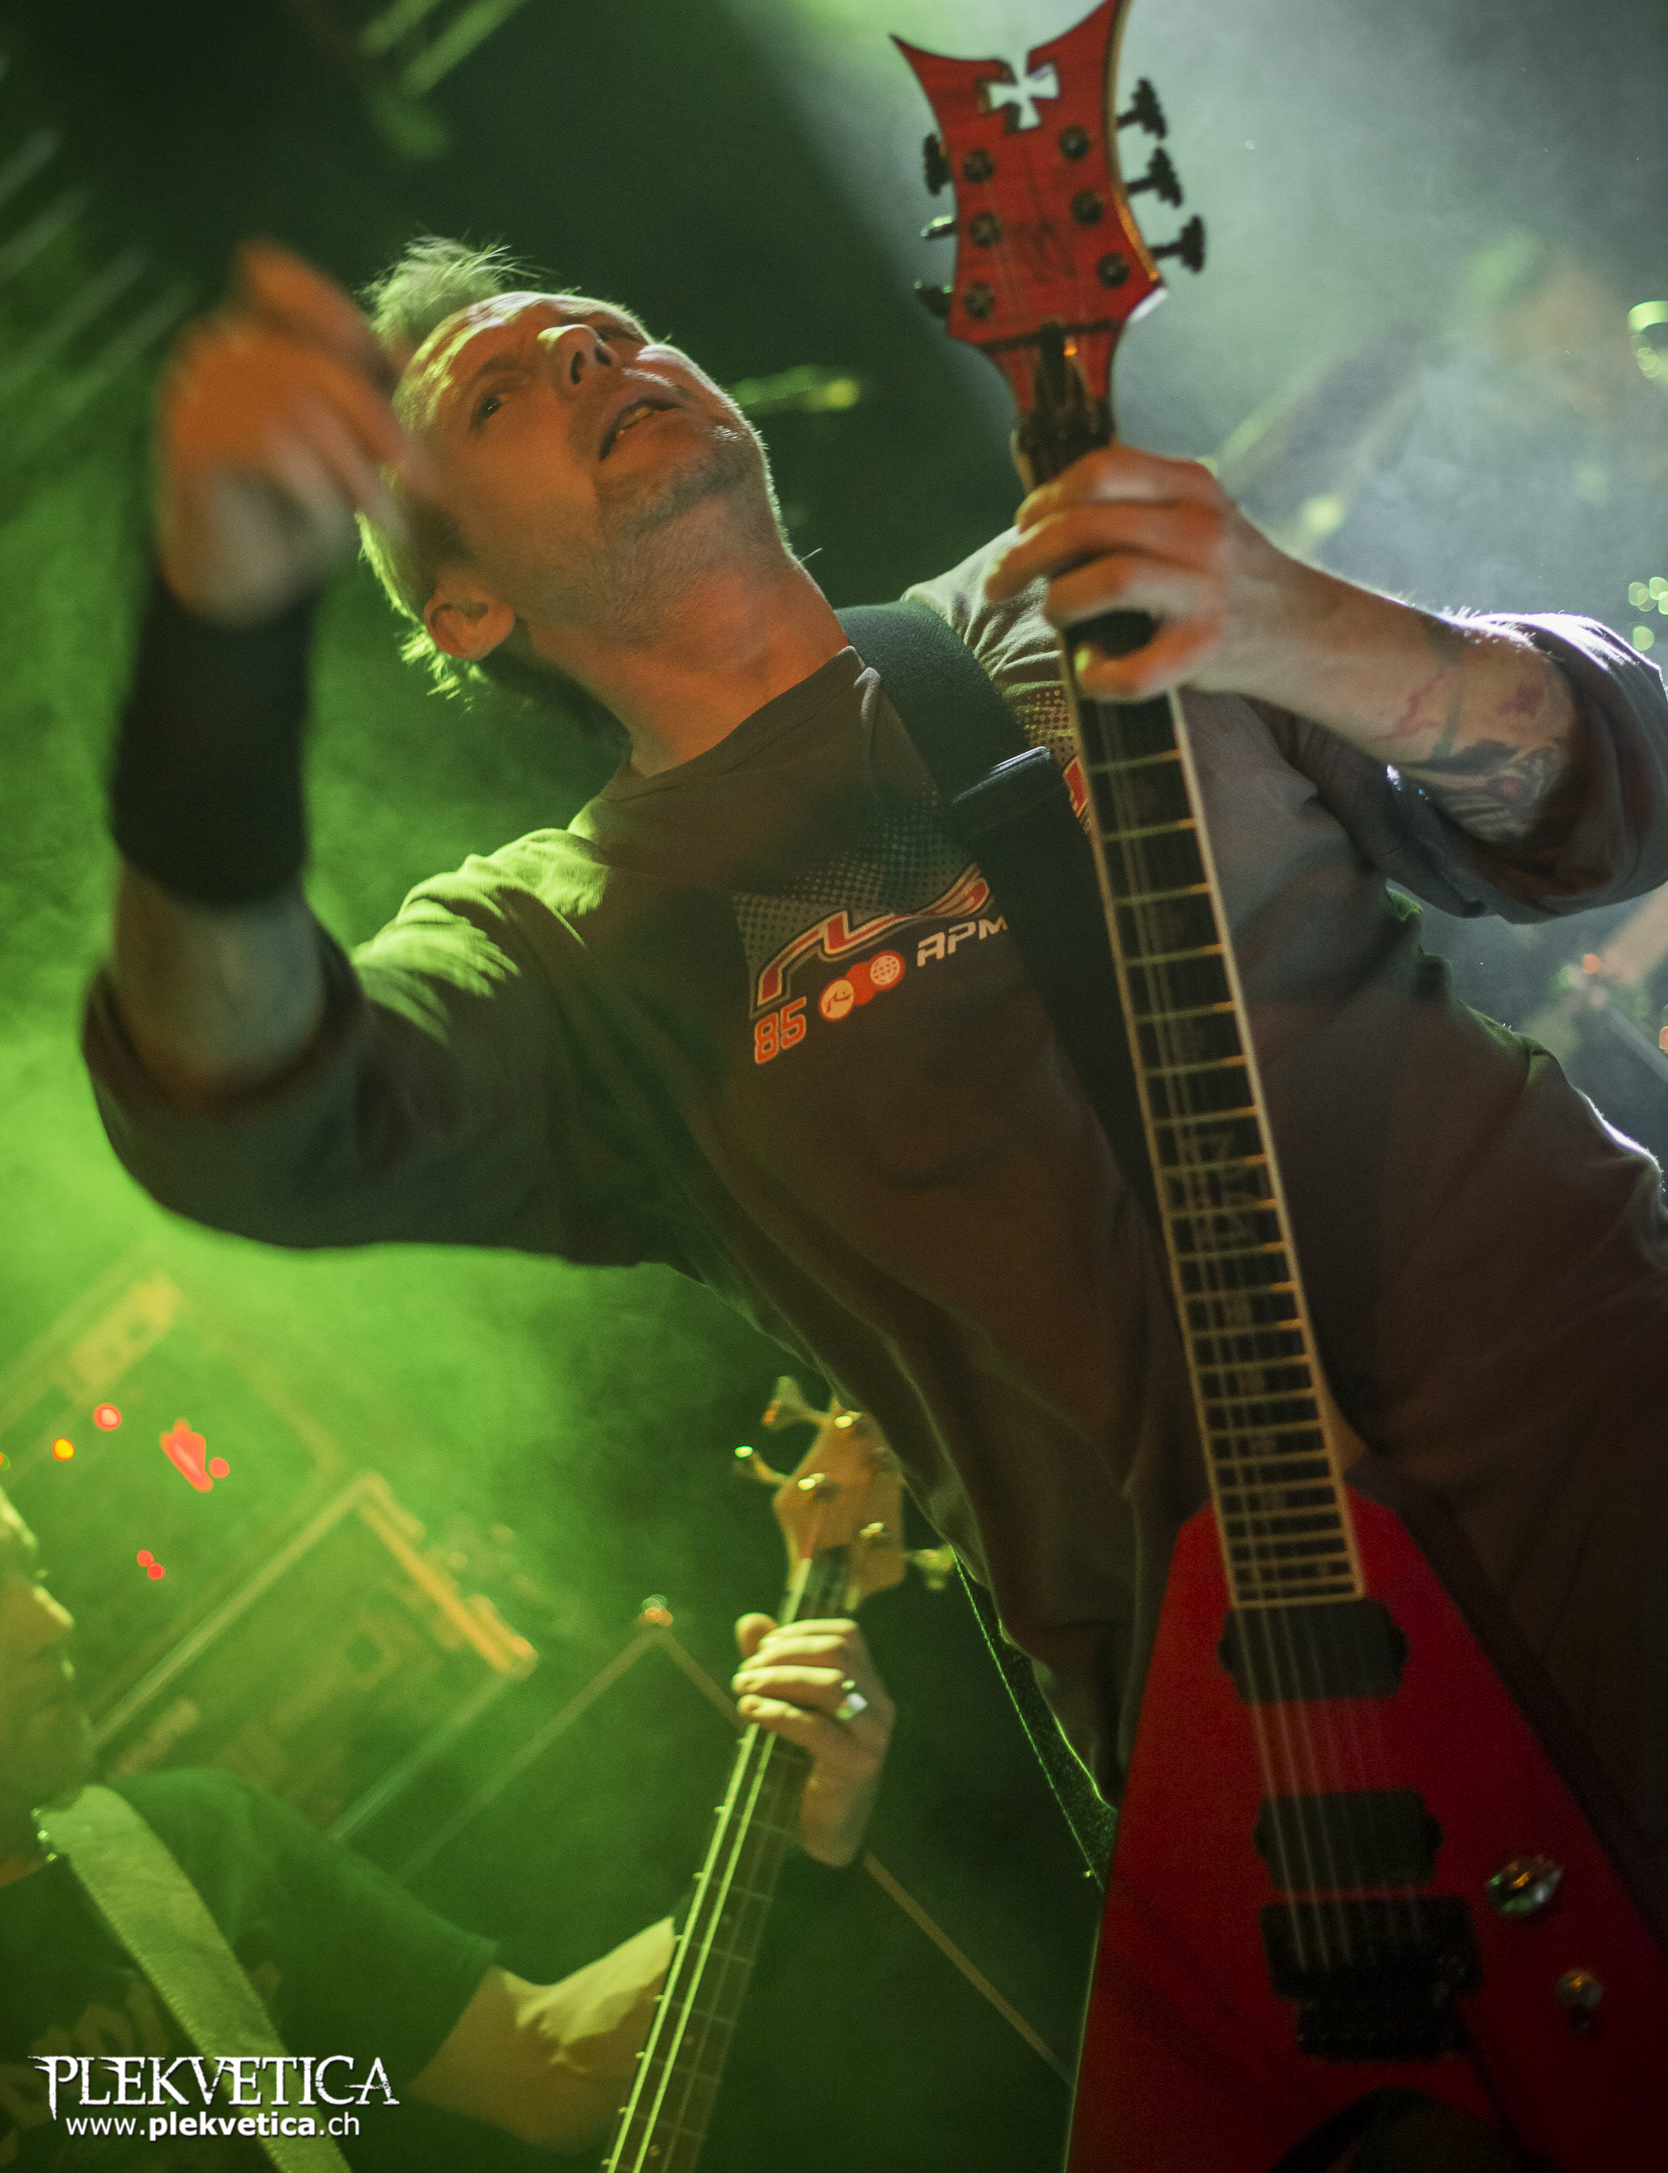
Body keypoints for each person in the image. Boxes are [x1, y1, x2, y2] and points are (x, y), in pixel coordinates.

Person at [81, 238, 1668, 1900]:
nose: (586, 360)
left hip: (1609, 1427)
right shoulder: (566, 944)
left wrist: (1309, 627)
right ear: (465, 607)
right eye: (497, 395)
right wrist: (212, 651)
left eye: (603, 329)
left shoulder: (1062, 597)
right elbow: (241, 1107)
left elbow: (1614, 794)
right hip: (1305, 1766)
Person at [0, 1482, 894, 2168]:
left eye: (32, 1572)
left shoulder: (193, 1843)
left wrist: (793, 1833)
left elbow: (545, 2069)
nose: (51, 1619)